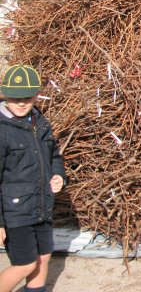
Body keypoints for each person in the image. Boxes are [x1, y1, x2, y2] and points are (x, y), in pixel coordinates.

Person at [0, 65, 67, 292]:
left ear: (37, 95)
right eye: (14, 98)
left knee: (43, 257)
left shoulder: (40, 122)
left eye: (27, 98)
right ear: (4, 95)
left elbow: (54, 155)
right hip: (15, 212)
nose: (21, 103)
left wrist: (58, 175)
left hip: (41, 204)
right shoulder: (2, 129)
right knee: (25, 264)